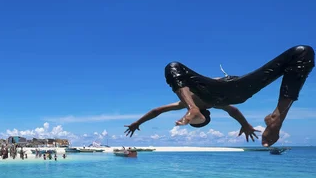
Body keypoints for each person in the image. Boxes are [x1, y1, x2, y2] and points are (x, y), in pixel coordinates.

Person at [124, 46, 314, 146]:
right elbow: (234, 112)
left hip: (239, 92)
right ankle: (278, 115)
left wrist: (137, 123)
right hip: (236, 88)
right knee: (303, 53)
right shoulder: (212, 104)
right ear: (205, 114)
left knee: (173, 68)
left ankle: (279, 115)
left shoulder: (198, 104)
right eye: (196, 118)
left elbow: (156, 111)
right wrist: (245, 125)